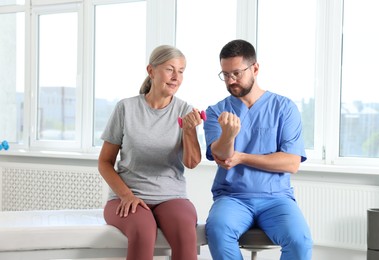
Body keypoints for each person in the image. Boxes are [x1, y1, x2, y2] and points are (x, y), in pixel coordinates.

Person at [203, 39, 313, 260]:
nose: (231, 80)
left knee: (300, 240)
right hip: (232, 198)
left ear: (255, 68)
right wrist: (228, 135)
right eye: (225, 75)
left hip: (276, 198)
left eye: (237, 73)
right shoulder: (216, 111)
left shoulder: (284, 108)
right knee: (217, 230)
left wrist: (242, 157)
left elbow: (291, 163)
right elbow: (222, 157)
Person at [98, 45, 203, 260]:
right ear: (151, 71)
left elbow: (191, 163)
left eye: (181, 71)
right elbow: (105, 162)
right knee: (144, 231)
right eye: (170, 69)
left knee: (186, 233)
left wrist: (190, 131)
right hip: (128, 195)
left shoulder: (185, 110)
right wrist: (126, 195)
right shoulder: (126, 108)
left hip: (172, 196)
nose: (176, 77)